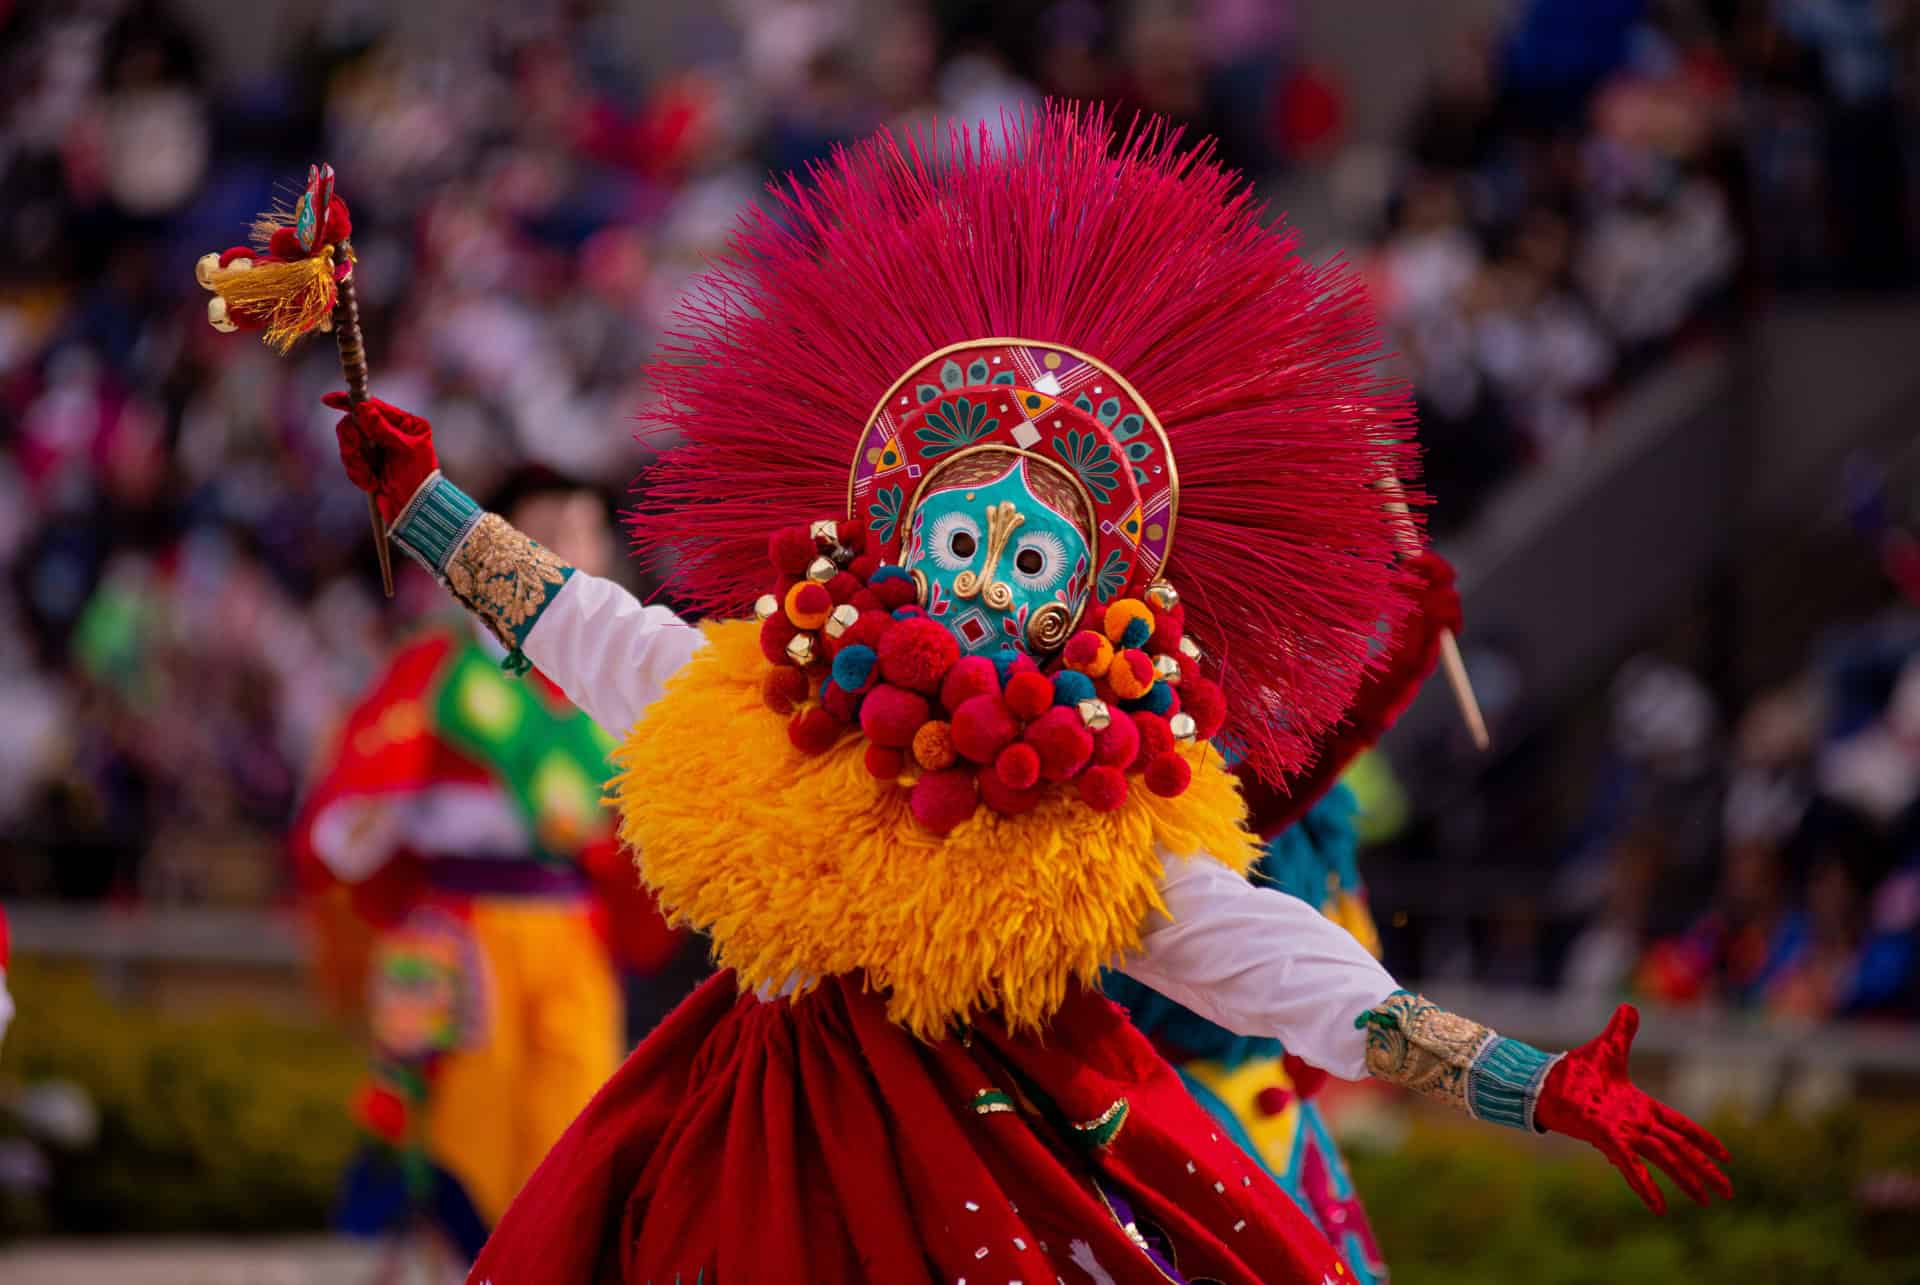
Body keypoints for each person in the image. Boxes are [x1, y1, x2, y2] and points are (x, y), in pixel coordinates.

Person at [315, 106, 1728, 1284]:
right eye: (963, 538)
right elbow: (593, 630)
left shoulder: (1098, 816)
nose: (989, 576)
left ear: (1088, 593)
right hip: (749, 1142)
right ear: (897, 535)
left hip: (999, 1162)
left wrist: (1523, 1079)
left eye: (1031, 554)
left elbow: (1288, 968)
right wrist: (424, 502)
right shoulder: (760, 701)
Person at [292, 466, 681, 1264]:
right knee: (461, 1139)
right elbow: (351, 813)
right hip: (455, 935)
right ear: (503, 543)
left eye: (582, 532)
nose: (568, 549)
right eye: (547, 532)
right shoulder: (438, 671)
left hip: (575, 937)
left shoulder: (615, 690)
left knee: (574, 1130)